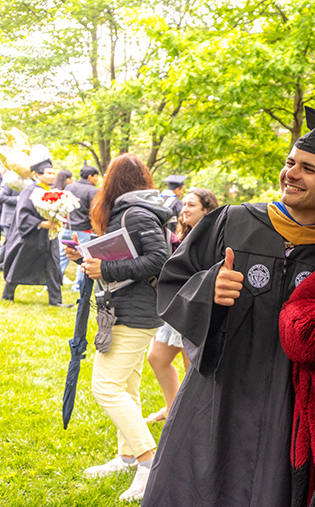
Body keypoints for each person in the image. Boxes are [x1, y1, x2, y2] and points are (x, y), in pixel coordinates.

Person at [142, 107, 315, 507]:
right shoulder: (230, 222)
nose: (292, 174)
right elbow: (172, 282)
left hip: (289, 413)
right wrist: (207, 288)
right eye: (290, 163)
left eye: (309, 169)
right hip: (216, 397)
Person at [63, 153, 172, 502]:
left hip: (134, 312)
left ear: (113, 181)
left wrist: (105, 270)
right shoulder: (134, 211)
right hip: (128, 308)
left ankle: (147, 460)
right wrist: (88, 260)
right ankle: (128, 456)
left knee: (106, 387)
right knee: (127, 386)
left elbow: (159, 260)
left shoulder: (136, 213)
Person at [144, 187, 219, 424]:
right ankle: (172, 407)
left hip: (197, 307)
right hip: (176, 303)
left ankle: (196, 420)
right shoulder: (180, 234)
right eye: (184, 204)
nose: (184, 209)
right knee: (156, 357)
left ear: (207, 210)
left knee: (193, 369)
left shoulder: (214, 235)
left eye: (191, 205)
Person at [2, 158, 68, 306]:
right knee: (19, 265)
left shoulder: (50, 192)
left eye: (53, 173)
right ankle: (7, 295)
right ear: (37, 175)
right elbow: (22, 215)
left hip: (48, 237)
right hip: (30, 237)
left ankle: (56, 301)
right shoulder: (30, 191)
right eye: (48, 173)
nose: (52, 176)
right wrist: (42, 223)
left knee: (52, 265)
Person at [64, 164, 100, 292]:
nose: (96, 180)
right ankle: (77, 285)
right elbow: (95, 211)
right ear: (90, 176)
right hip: (83, 229)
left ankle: (54, 282)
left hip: (67, 226)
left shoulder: (69, 187)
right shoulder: (93, 191)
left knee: (64, 255)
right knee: (83, 256)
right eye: (96, 177)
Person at [52, 168, 75, 279]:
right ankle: (57, 275)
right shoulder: (63, 194)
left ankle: (58, 274)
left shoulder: (53, 190)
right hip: (61, 225)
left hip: (58, 225)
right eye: (70, 178)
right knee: (61, 252)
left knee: (60, 252)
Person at [0, 169, 22, 269]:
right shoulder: (7, 181)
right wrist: (17, 199)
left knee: (13, 242)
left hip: (18, 218)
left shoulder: (24, 183)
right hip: (8, 218)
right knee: (8, 242)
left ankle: (6, 264)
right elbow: (2, 197)